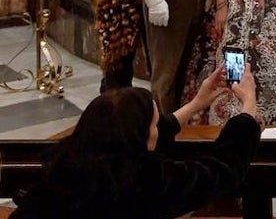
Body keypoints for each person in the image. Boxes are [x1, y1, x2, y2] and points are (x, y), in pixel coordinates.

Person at [11, 67, 261, 219]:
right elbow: (222, 168)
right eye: (153, 125)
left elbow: (151, 131)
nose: (157, 129)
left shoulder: (62, 165)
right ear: (143, 139)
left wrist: (196, 104)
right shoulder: (146, 180)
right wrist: (248, 110)